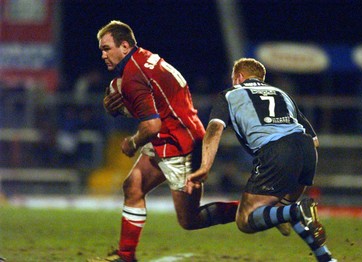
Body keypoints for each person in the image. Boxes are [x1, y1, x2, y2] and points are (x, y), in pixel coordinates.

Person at [89, 20, 238, 262]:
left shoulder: (132, 76)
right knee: (133, 187)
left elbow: (151, 125)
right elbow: (159, 103)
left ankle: (256, 211)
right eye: (101, 50)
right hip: (174, 134)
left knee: (190, 220)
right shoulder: (144, 58)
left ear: (124, 46)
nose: (103, 55)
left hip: (180, 146)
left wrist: (132, 142)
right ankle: (126, 256)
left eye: (107, 48)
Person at [186, 58, 336, 262]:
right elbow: (315, 140)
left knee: (245, 219)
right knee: (280, 212)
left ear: (239, 77)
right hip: (307, 151)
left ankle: (296, 210)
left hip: (276, 151)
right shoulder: (282, 94)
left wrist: (205, 166)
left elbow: (214, 129)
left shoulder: (230, 94)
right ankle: (325, 257)